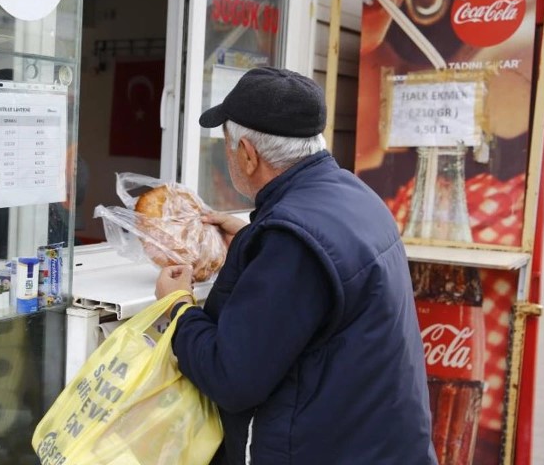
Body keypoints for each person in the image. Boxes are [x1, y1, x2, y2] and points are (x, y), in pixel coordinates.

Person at [154, 67, 436, 464]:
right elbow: (319, 268)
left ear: (248, 155)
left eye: (228, 146)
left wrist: (179, 308)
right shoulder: (353, 195)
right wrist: (254, 240)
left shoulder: (291, 243)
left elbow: (231, 377)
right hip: (381, 445)